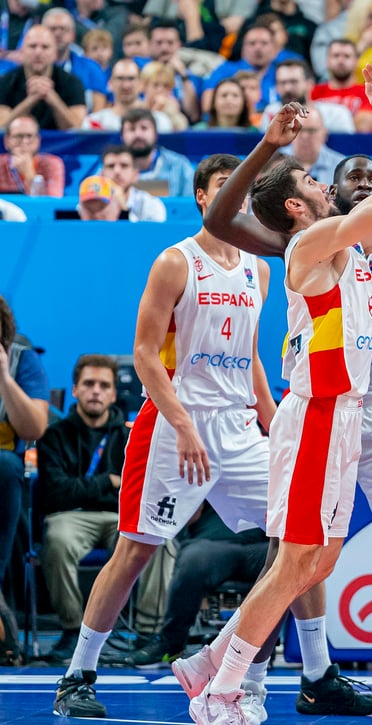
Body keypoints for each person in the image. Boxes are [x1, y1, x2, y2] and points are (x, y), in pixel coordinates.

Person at [180, 69, 372, 725]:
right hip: (317, 412)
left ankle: (212, 663)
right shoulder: (312, 242)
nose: (323, 184)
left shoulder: (347, 246)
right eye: (314, 183)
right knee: (295, 561)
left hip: (343, 417)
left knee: (315, 560)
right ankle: (225, 689)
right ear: (296, 206)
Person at [51, 154, 276, 719]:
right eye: (228, 186)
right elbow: (146, 355)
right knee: (135, 551)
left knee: (297, 537)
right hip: (176, 422)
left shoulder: (259, 268)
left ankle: (255, 666)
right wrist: (182, 424)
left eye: (245, 187)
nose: (240, 195)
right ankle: (78, 675)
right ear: (203, 197)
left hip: (239, 424)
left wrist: (274, 423)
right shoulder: (176, 261)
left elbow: (248, 355)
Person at [36, 355, 163, 665]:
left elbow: (143, 487)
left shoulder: (130, 435)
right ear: (75, 390)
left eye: (104, 385)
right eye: (88, 384)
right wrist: (109, 481)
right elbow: (55, 494)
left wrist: (87, 486)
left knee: (159, 537)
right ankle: (72, 631)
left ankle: (148, 633)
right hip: (71, 516)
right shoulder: (54, 436)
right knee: (58, 538)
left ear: (114, 393)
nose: (96, 391)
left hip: (119, 516)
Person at [124, 503, 269, 668]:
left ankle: (288, 648)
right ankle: (171, 644)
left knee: (290, 562)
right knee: (193, 560)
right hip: (213, 541)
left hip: (266, 544)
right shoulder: (203, 476)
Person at [0, 294, 50, 643]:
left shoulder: (21, 359)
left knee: (4, 465)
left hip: (2, 470)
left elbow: (33, 428)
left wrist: (4, 376)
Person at [0, 26, 87, 130]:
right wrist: (31, 100)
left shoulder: (72, 83)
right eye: (32, 46)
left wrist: (52, 98)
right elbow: (2, 128)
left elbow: (76, 129)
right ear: (22, 51)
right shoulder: (5, 82)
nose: (38, 52)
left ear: (55, 53)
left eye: (45, 47)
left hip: (60, 145)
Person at [259, 59, 355, 133]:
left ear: (310, 84)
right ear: (276, 87)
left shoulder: (336, 114)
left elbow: (347, 150)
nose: (288, 88)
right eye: (282, 83)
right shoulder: (271, 112)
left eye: (294, 82)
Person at [311, 38, 372, 133]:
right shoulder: (313, 92)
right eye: (336, 56)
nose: (341, 60)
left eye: (347, 56)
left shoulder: (369, 91)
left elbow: (364, 126)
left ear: (356, 61)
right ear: (327, 61)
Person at [83, 60, 176, 132]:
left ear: (141, 84)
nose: (126, 85)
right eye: (120, 79)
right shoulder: (94, 122)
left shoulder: (160, 121)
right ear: (110, 84)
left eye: (131, 79)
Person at [121, 108, 196, 198]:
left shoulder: (179, 165)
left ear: (155, 134)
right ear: (122, 136)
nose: (138, 134)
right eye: (132, 129)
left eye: (144, 128)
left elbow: (191, 205)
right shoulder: (110, 167)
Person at [96, 145, 167, 222]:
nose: (117, 171)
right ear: (101, 175)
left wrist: (123, 208)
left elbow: (154, 233)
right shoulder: (90, 203)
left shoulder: (151, 205)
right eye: (111, 166)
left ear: (135, 174)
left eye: (124, 165)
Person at [0, 114, 66, 196]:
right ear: (6, 141)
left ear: (38, 140)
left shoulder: (52, 164)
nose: (24, 142)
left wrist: (29, 175)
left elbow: (51, 202)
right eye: (18, 136)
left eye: (29, 136)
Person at [279, 108, 345, 185]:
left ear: (324, 134)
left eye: (311, 130)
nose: (305, 136)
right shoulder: (274, 163)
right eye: (299, 130)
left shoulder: (343, 167)